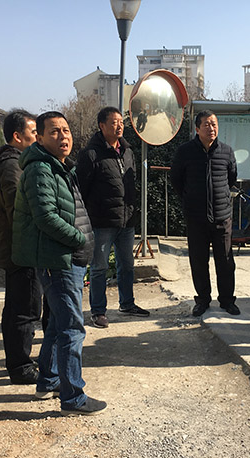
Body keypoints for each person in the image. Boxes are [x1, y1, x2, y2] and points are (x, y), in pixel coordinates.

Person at [12, 111, 106, 415]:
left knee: (56, 324)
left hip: (68, 258)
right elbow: (46, 217)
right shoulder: (41, 169)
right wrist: (79, 239)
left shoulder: (60, 167)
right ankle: (73, 397)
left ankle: (49, 379)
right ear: (39, 138)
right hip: (58, 259)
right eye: (54, 131)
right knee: (72, 328)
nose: (63, 136)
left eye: (66, 130)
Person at [76, 106, 148, 329]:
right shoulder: (91, 154)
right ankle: (98, 311)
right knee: (99, 268)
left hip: (126, 221)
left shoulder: (127, 151)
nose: (119, 126)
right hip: (101, 222)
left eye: (121, 122)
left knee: (127, 266)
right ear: (102, 125)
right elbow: (81, 189)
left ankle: (127, 303)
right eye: (114, 122)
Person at [0, 110, 41, 384]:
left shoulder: (12, 162)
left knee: (16, 307)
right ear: (18, 136)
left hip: (16, 248)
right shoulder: (12, 166)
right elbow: (19, 212)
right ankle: (21, 366)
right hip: (21, 250)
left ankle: (17, 361)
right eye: (34, 132)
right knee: (24, 309)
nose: (38, 137)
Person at [171, 110, 239, 317]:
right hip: (196, 217)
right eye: (207, 124)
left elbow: (231, 178)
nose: (211, 128)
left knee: (225, 261)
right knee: (199, 261)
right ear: (197, 128)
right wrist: (190, 200)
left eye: (214, 124)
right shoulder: (185, 152)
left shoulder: (226, 151)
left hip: (222, 217)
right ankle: (202, 300)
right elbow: (176, 181)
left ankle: (227, 300)